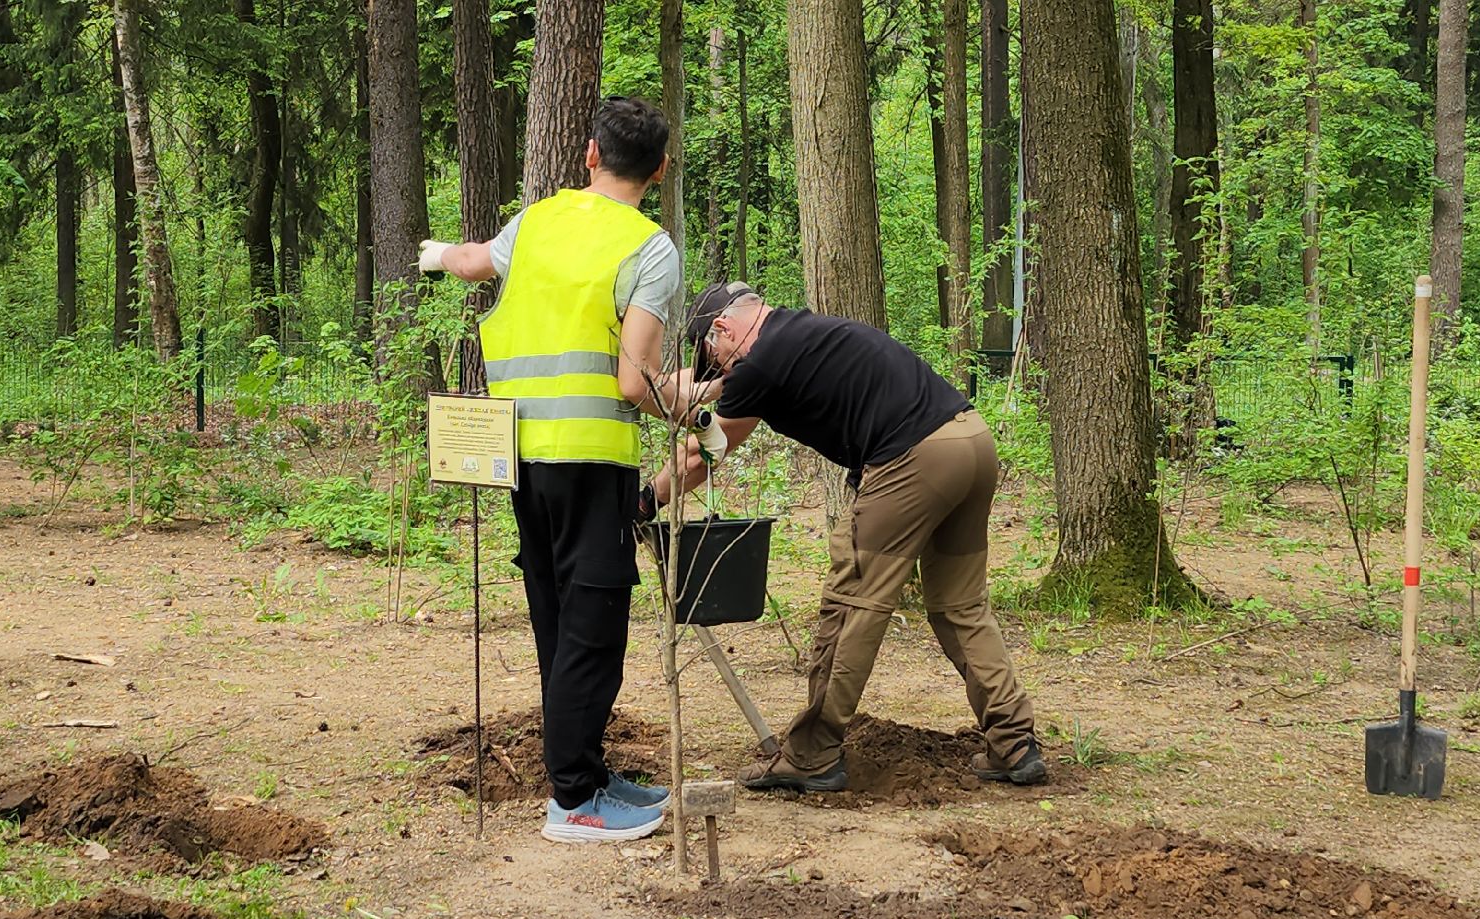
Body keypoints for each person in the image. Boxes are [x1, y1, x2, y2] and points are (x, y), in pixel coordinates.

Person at [418, 97, 723, 843]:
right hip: (591, 458)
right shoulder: (649, 250)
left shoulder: (535, 223)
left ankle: (586, 770)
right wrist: (701, 413)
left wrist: (434, 254)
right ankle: (573, 802)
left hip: (521, 455)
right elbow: (634, 379)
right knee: (593, 625)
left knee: (556, 614)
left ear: (590, 155)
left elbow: (468, 261)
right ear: (658, 169)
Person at [643, 282, 1047, 792]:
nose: (718, 369)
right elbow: (696, 391)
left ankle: (812, 754)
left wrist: (646, 499)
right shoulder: (797, 335)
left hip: (914, 460)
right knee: (961, 605)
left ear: (723, 329)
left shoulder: (760, 364)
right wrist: (638, 382)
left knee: (852, 604)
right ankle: (1014, 742)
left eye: (713, 355)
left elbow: (705, 452)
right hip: (971, 442)